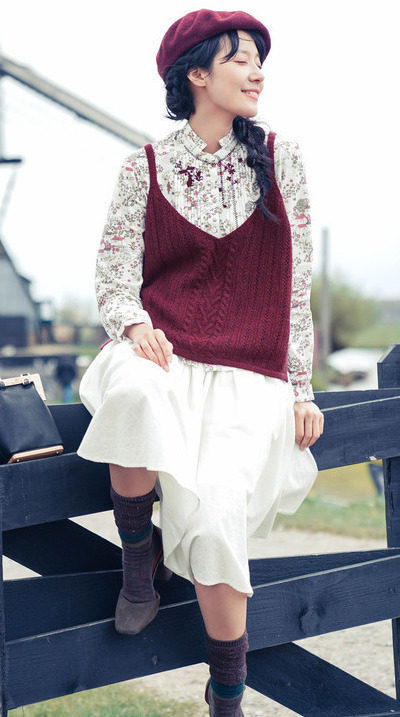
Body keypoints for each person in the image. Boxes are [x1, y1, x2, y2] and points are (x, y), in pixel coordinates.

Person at [77, 9, 324, 715]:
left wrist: (301, 386)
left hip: (248, 378)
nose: (257, 73)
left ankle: (226, 697)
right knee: (132, 392)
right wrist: (135, 324)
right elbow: (114, 276)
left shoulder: (281, 159)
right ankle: (138, 562)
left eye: (259, 61)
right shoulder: (143, 167)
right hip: (161, 353)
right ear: (196, 74)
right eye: (240, 59)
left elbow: (295, 284)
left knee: (217, 526)